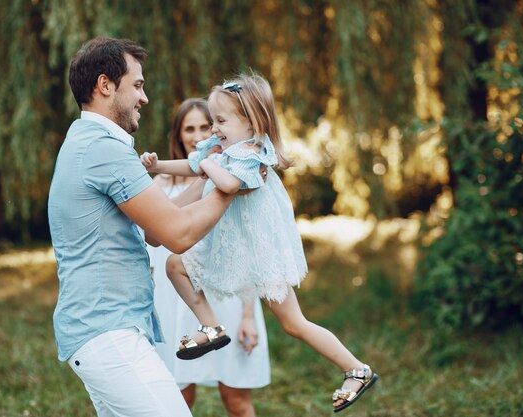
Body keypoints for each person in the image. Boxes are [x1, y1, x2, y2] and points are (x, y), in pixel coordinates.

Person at [140, 73, 380, 413]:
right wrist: (157, 165)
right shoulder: (222, 150)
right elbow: (193, 164)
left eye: (220, 121)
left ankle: (356, 369)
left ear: (251, 122)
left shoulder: (253, 154)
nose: (214, 130)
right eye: (213, 121)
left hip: (259, 252)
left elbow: (226, 183)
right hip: (233, 249)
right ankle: (210, 325)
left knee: (294, 323)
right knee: (174, 264)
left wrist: (209, 162)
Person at [47, 37, 241, 417]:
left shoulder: (86, 141)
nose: (145, 97)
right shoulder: (104, 150)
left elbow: (156, 230)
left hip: (104, 332)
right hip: (108, 335)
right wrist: (235, 180)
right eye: (137, 85)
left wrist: (206, 175)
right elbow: (178, 235)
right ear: (105, 85)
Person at [148, 98, 270, 417]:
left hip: (225, 297)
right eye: (189, 128)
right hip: (176, 302)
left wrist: (247, 315)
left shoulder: (232, 174)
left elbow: (246, 246)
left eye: (205, 125)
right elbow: (153, 240)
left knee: (236, 399)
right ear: (178, 135)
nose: (199, 134)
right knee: (178, 400)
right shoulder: (158, 186)